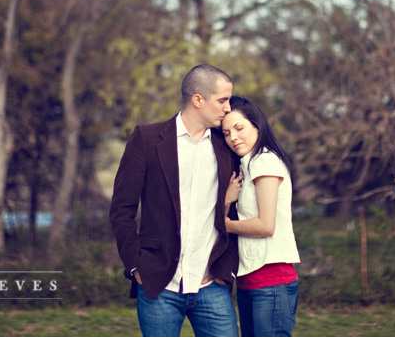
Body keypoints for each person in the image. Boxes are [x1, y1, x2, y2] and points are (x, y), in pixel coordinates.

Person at [109, 64, 240, 337]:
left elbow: (234, 212)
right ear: (198, 100)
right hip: (159, 285)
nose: (228, 108)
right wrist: (136, 265)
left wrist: (227, 267)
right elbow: (122, 210)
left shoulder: (226, 147)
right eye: (223, 100)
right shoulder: (146, 139)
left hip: (212, 285)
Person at [222, 95, 301, 337]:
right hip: (249, 280)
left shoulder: (265, 162)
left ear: (256, 125)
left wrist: (225, 225)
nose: (233, 137)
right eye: (226, 133)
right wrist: (226, 201)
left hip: (272, 281)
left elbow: (266, 225)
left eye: (239, 127)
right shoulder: (246, 166)